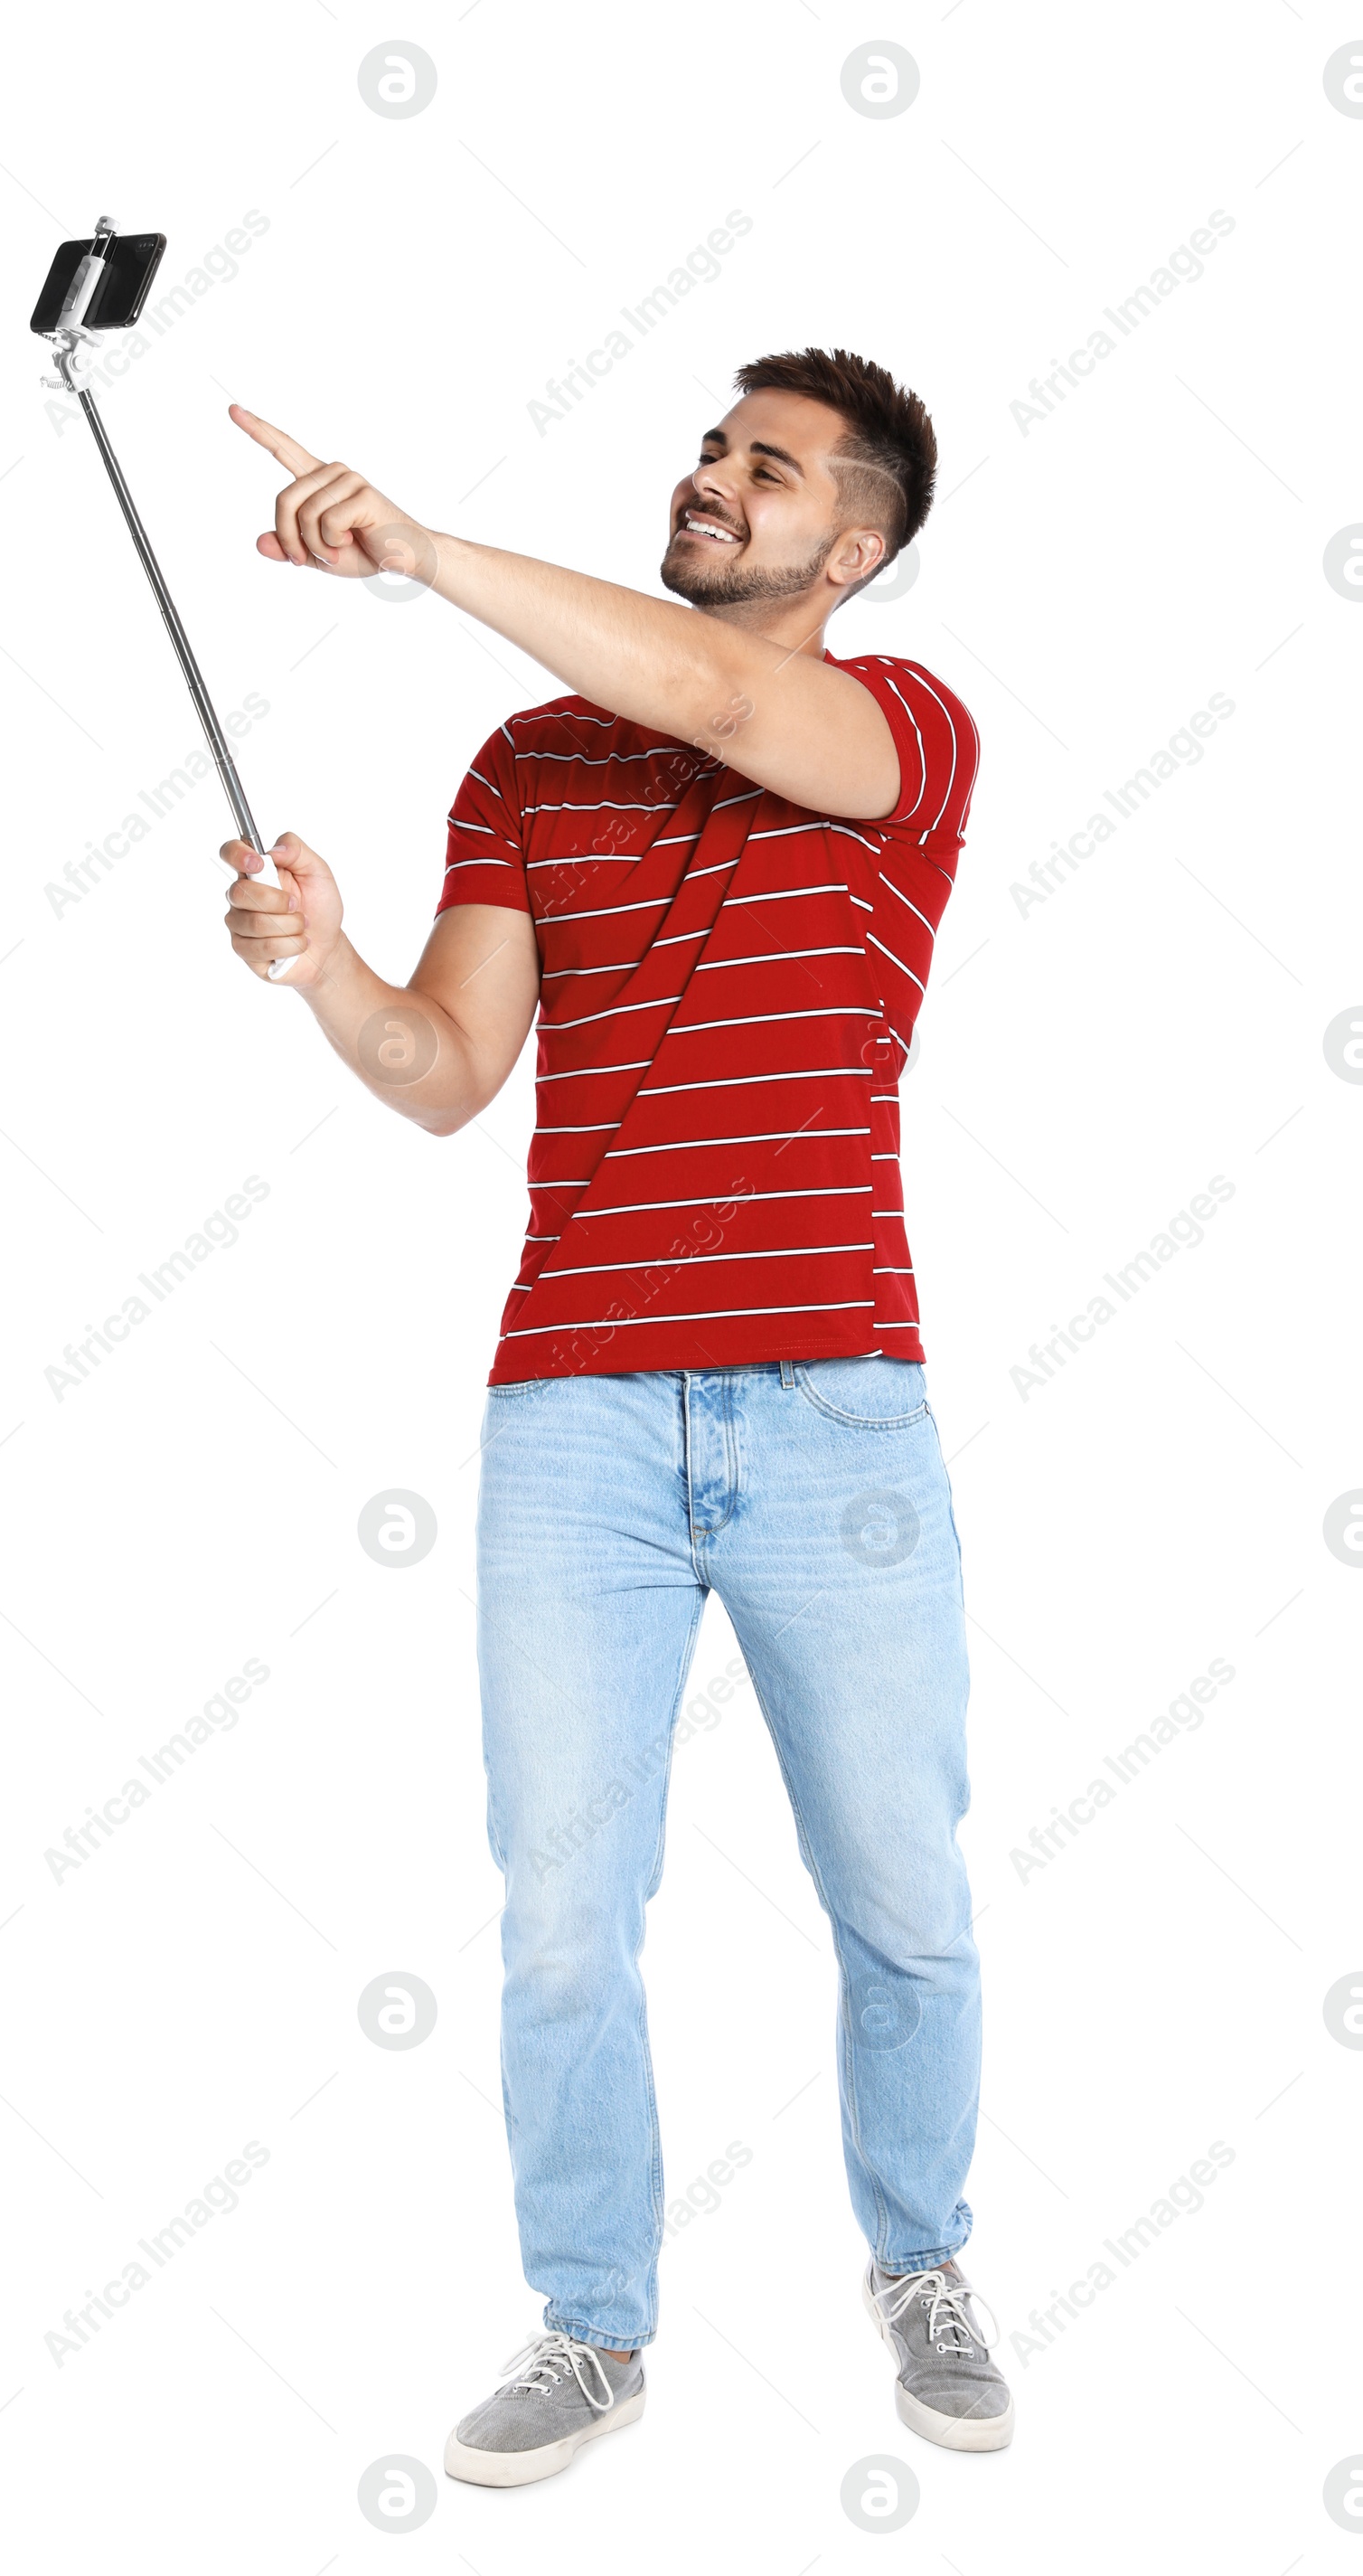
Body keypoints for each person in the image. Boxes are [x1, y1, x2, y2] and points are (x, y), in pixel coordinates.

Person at [221, 347, 1012, 2480]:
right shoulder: (522, 765)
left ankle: (918, 2256)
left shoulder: (896, 730)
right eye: (705, 449)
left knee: (902, 1896)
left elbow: (729, 706)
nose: (711, 479)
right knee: (564, 1913)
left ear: (847, 548)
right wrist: (326, 968)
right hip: (575, 1415)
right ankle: (591, 2323)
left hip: (835, 1408)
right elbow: (441, 1077)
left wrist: (417, 545)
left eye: (765, 472)